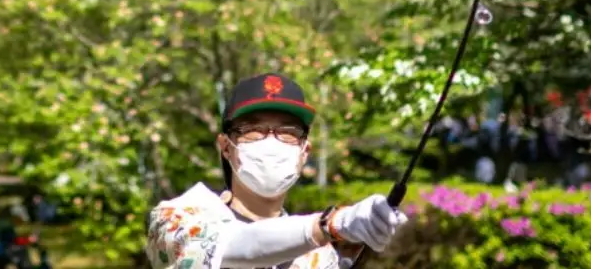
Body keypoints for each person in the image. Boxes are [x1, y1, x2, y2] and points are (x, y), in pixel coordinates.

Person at [146, 73, 407, 269]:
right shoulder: (178, 219)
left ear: (304, 152)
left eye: (287, 132)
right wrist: (331, 224)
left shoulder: (318, 257)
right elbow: (242, 246)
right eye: (254, 130)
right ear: (226, 147)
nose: (270, 141)